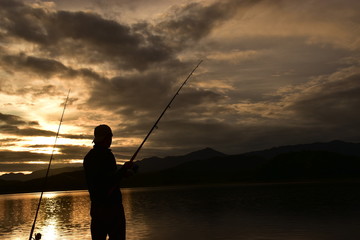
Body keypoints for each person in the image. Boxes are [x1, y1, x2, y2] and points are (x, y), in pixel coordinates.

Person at [83, 124, 133, 240]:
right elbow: (108, 181)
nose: (111, 140)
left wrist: (123, 173)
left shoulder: (88, 157)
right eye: (110, 137)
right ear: (107, 137)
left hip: (96, 208)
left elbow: (102, 178)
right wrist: (124, 169)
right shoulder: (107, 155)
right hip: (112, 208)